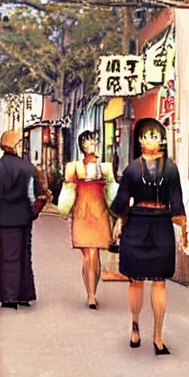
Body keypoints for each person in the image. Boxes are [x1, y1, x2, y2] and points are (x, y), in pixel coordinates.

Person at [109, 118, 187, 356]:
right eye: (148, 135)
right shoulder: (134, 169)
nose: (153, 140)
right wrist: (118, 223)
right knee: (136, 280)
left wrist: (184, 231)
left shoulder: (165, 168)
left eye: (156, 135)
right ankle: (136, 327)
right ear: (140, 140)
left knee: (159, 281)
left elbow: (177, 202)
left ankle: (157, 334)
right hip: (142, 225)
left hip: (155, 225)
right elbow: (121, 203)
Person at [0, 129, 45, 309]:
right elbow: (35, 194)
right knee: (25, 256)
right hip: (24, 218)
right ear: (15, 145)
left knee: (8, 258)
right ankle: (25, 294)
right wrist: (32, 213)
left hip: (4, 221)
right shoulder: (28, 168)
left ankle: (9, 297)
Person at [57, 130, 119, 309]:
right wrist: (64, 208)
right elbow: (68, 190)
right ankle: (90, 293)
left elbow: (111, 191)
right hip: (82, 213)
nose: (93, 144)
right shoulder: (73, 167)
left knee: (95, 254)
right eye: (89, 142)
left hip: (99, 213)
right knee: (88, 254)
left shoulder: (105, 167)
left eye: (94, 141)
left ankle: (93, 291)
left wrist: (117, 212)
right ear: (82, 145)